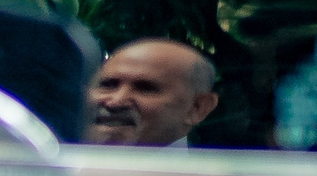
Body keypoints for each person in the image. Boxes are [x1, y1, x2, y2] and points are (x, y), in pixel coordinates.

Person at [86, 38, 218, 147]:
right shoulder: (69, 169)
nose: (115, 102)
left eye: (145, 89)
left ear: (197, 108)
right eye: (107, 85)